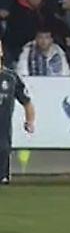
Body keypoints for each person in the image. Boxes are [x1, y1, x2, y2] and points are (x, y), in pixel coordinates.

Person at [0, 43, 34, 185]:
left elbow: (27, 102)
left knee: (3, 148)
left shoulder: (11, 77)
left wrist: (30, 121)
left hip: (3, 125)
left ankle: (3, 176)